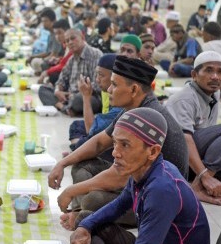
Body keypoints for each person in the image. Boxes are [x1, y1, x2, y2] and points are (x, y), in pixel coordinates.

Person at [53, 56, 188, 229]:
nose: (109, 89)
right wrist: (62, 163)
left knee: (93, 199)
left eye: (115, 85)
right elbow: (99, 143)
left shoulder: (146, 117)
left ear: (133, 90)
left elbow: (119, 177)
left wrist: (71, 190)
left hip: (156, 201)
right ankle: (81, 211)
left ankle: (82, 214)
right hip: (133, 182)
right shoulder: (132, 109)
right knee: (82, 165)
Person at [70, 107, 210, 244]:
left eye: (125, 145)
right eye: (115, 143)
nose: (115, 153)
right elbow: (118, 206)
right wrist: (84, 226)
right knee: (85, 220)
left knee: (89, 223)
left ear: (152, 151)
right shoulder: (143, 171)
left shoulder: (162, 189)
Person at [166, 51, 221, 206]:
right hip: (177, 159)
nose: (215, 76)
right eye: (209, 70)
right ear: (194, 75)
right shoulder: (184, 99)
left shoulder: (213, 95)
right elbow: (184, 140)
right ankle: (199, 184)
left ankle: (195, 184)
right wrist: (205, 175)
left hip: (196, 159)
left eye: (220, 72)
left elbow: (214, 141)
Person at [38, 29, 103, 116]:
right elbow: (61, 79)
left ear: (82, 37)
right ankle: (64, 108)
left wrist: (75, 94)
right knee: (43, 89)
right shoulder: (72, 59)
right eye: (67, 41)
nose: (70, 42)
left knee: (78, 100)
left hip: (88, 96)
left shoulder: (95, 54)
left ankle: (67, 106)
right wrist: (58, 91)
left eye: (73, 38)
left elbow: (98, 85)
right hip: (68, 96)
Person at [68, 54, 123, 152]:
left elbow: (91, 131)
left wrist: (86, 96)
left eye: (101, 75)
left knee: (85, 141)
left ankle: (78, 150)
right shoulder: (106, 90)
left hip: (112, 140)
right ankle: (79, 150)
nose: (97, 79)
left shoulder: (121, 102)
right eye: (96, 74)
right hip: (105, 126)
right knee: (76, 125)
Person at [201, 22, 221, 103]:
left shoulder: (207, 46)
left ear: (208, 35)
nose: (202, 36)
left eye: (203, 34)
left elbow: (215, 70)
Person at [26, 8, 62, 74]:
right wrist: (32, 56)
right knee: (33, 59)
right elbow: (47, 52)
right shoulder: (50, 34)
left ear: (53, 21)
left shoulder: (56, 35)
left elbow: (54, 55)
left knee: (36, 62)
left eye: (45, 21)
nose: (43, 24)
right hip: (50, 59)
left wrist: (43, 60)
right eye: (42, 21)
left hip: (57, 62)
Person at [37, 19, 71, 85]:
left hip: (71, 74)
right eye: (55, 34)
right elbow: (66, 60)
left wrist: (47, 72)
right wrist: (59, 59)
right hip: (66, 69)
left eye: (60, 33)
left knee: (53, 75)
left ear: (67, 31)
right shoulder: (65, 44)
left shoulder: (71, 44)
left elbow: (65, 65)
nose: (57, 36)